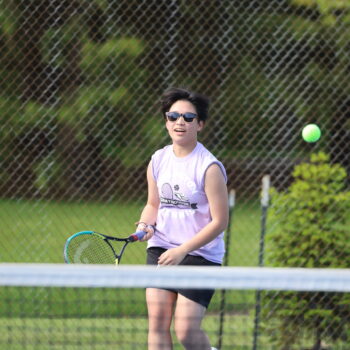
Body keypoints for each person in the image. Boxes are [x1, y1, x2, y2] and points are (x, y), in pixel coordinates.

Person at [136, 87, 228, 350]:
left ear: (200, 125)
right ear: (166, 121)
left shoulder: (209, 168)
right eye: (173, 116)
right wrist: (145, 224)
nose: (180, 122)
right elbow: (153, 204)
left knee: (186, 331)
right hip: (161, 249)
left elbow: (219, 222)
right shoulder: (158, 160)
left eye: (188, 118)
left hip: (200, 255)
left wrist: (182, 250)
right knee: (157, 323)